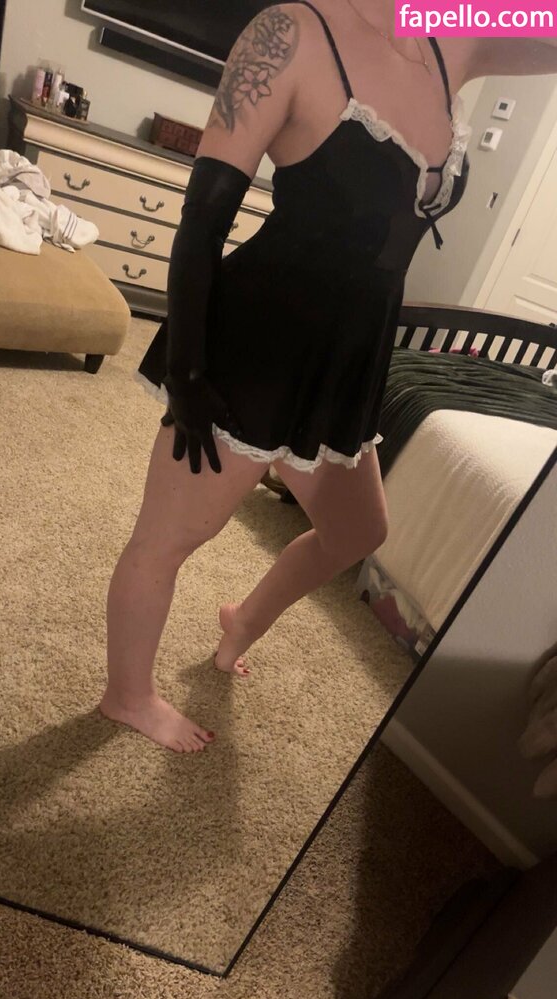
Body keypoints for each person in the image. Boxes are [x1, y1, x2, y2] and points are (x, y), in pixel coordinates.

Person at [99, 0, 557, 752]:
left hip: (349, 361)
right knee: (170, 537)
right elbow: (203, 220)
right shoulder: (291, 33)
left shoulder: (456, 39)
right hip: (256, 345)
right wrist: (187, 372)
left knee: (358, 531)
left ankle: (241, 620)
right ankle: (128, 696)